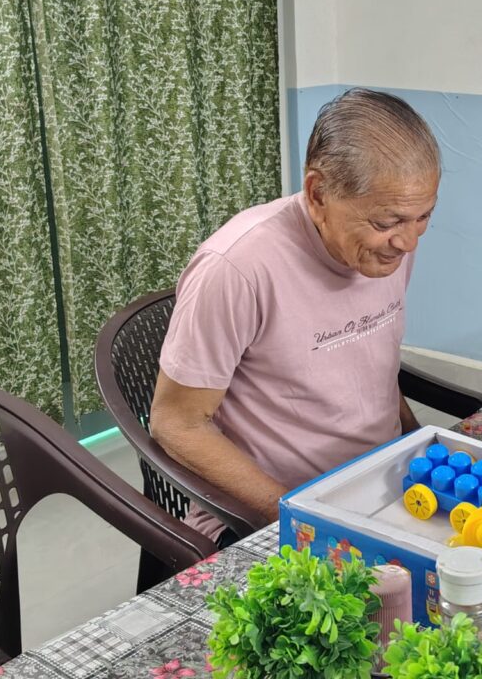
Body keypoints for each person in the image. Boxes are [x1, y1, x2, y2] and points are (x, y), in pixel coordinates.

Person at [151, 88, 440, 544]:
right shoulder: (238, 267)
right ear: (318, 193)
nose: (408, 243)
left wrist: (422, 450)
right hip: (268, 513)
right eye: (386, 223)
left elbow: (368, 369)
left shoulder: (389, 248)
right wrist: (294, 517)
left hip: (380, 489)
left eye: (423, 217)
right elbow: (175, 423)